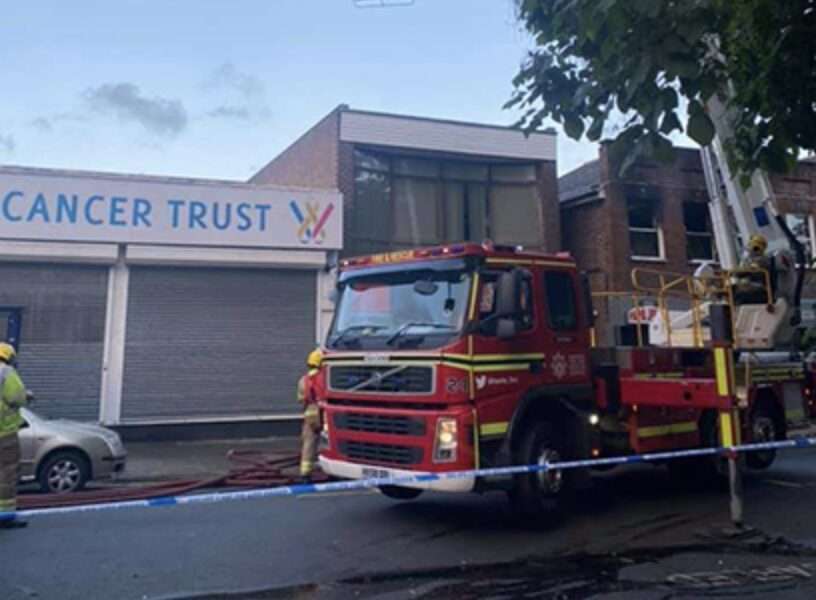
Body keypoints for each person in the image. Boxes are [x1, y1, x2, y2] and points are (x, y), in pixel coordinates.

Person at [0, 342, 28, 529]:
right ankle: (5, 515)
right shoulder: (6, 372)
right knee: (6, 473)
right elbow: (17, 397)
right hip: (4, 433)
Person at [297, 348, 323, 481]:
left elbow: (301, 399)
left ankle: (305, 472)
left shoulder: (303, 380)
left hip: (309, 413)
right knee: (327, 440)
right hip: (324, 412)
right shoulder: (324, 377)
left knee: (308, 442)